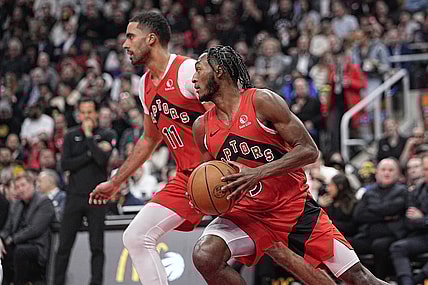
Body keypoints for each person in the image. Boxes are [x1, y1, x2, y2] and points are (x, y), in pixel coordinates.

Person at [89, 11, 338, 285]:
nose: (124, 44)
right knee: (136, 236)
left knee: (277, 248)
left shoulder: (185, 72)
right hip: (190, 179)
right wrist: (116, 181)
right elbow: (149, 139)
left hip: (221, 174)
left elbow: (226, 116)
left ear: (150, 39)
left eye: (130, 36)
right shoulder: (143, 86)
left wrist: (245, 167)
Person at [190, 45, 389, 285]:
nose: (193, 78)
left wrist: (257, 173)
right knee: (205, 255)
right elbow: (206, 178)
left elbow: (309, 150)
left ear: (219, 71)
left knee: (360, 278)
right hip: (246, 214)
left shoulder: (260, 101)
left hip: (292, 208)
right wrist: (199, 195)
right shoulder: (202, 127)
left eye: (198, 70)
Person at [54, 98, 116, 285]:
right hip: (74, 196)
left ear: (96, 113)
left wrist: (89, 137)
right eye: (84, 112)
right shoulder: (70, 135)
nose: (87, 116)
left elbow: (101, 159)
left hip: (97, 198)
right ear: (79, 114)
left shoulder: (107, 133)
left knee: (97, 246)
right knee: (64, 246)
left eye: (90, 112)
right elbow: (65, 164)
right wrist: (89, 153)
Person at [0, 172, 55, 285]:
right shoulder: (16, 204)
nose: (20, 190)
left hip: (37, 246)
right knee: (2, 250)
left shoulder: (44, 202)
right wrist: (1, 239)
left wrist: (12, 239)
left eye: (23, 185)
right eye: (17, 187)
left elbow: (35, 229)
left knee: (20, 251)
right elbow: (7, 227)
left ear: (32, 185)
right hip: (16, 243)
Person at [390, 155, 428, 285]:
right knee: (397, 247)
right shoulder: (417, 191)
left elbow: (417, 218)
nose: (426, 173)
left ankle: (416, 280)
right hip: (422, 235)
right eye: (426, 169)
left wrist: (422, 218)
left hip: (422, 230)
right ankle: (406, 282)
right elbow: (409, 219)